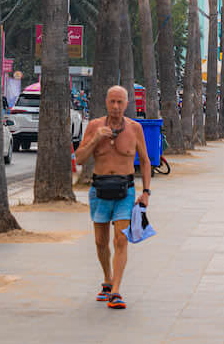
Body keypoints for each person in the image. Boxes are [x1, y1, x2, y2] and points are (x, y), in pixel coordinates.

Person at [74, 86, 152, 310]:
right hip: (99, 190)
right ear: (106, 102)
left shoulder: (135, 128)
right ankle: (107, 279)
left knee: (120, 240)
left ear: (126, 104)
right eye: (112, 102)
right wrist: (95, 139)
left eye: (120, 102)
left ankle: (116, 290)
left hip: (125, 191)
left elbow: (145, 161)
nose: (116, 107)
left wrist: (146, 192)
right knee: (100, 242)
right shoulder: (94, 126)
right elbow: (79, 159)